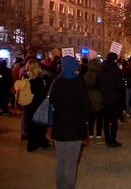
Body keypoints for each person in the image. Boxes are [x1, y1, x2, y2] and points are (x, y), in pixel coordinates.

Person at [50, 56, 90, 189]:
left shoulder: (56, 83)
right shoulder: (79, 83)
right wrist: (85, 122)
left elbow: (52, 103)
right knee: (72, 162)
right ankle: (69, 186)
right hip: (75, 127)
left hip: (59, 126)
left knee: (60, 160)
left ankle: (60, 186)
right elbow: (86, 106)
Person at [96, 52, 124, 147]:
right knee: (113, 121)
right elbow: (120, 85)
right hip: (114, 98)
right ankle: (112, 140)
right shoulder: (116, 70)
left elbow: (97, 84)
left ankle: (108, 139)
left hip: (105, 97)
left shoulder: (101, 70)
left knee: (106, 120)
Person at [25, 60, 50, 152]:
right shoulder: (40, 80)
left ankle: (33, 143)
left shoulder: (27, 80)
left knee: (32, 124)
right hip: (39, 105)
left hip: (30, 105)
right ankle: (39, 142)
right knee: (40, 124)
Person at [83, 58, 104, 144]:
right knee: (99, 117)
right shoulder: (100, 74)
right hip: (99, 97)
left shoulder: (86, 75)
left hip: (89, 97)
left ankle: (90, 133)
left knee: (91, 117)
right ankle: (98, 134)